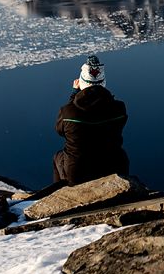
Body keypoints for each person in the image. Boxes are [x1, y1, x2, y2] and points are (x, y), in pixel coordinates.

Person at [53, 55, 129, 185]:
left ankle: (59, 192)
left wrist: (74, 94)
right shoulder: (119, 109)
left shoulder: (68, 112)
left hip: (77, 174)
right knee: (120, 153)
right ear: (103, 83)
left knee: (57, 157)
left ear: (81, 83)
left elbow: (60, 130)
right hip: (113, 167)